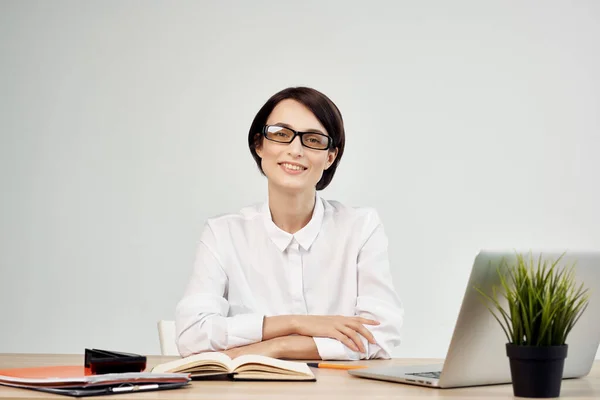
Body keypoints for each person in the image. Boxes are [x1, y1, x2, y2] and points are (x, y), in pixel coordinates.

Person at [175, 87, 404, 361]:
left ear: (330, 156)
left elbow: (381, 335)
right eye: (281, 135)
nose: (295, 150)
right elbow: (190, 335)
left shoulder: (360, 227)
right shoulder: (223, 233)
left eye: (313, 139)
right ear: (259, 144)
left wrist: (276, 347)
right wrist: (296, 323)